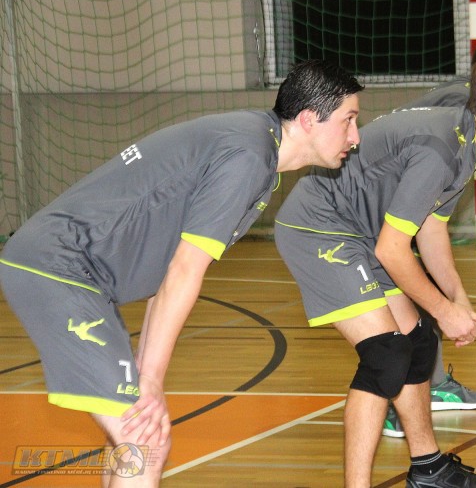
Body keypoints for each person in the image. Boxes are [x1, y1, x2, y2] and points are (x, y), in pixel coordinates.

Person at [0, 60, 363, 487]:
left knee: (133, 440)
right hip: (58, 266)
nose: (355, 137)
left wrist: (146, 374)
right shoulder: (249, 155)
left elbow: (168, 273)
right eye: (349, 120)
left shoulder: (254, 150)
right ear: (308, 119)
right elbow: (185, 268)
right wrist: (150, 381)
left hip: (77, 277)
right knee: (144, 440)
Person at [274, 54, 476, 487]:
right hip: (320, 229)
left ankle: (428, 469)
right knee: (385, 354)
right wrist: (444, 310)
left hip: (363, 236)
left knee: (418, 340)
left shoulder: (465, 144)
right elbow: (393, 249)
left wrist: (457, 298)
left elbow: (430, 228)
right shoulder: (442, 150)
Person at [383, 35, 476, 439]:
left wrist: (455, 295)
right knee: (403, 311)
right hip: (376, 213)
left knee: (423, 299)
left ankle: (429, 387)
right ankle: (406, 400)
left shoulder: (467, 104)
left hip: (402, 209)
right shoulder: (460, 106)